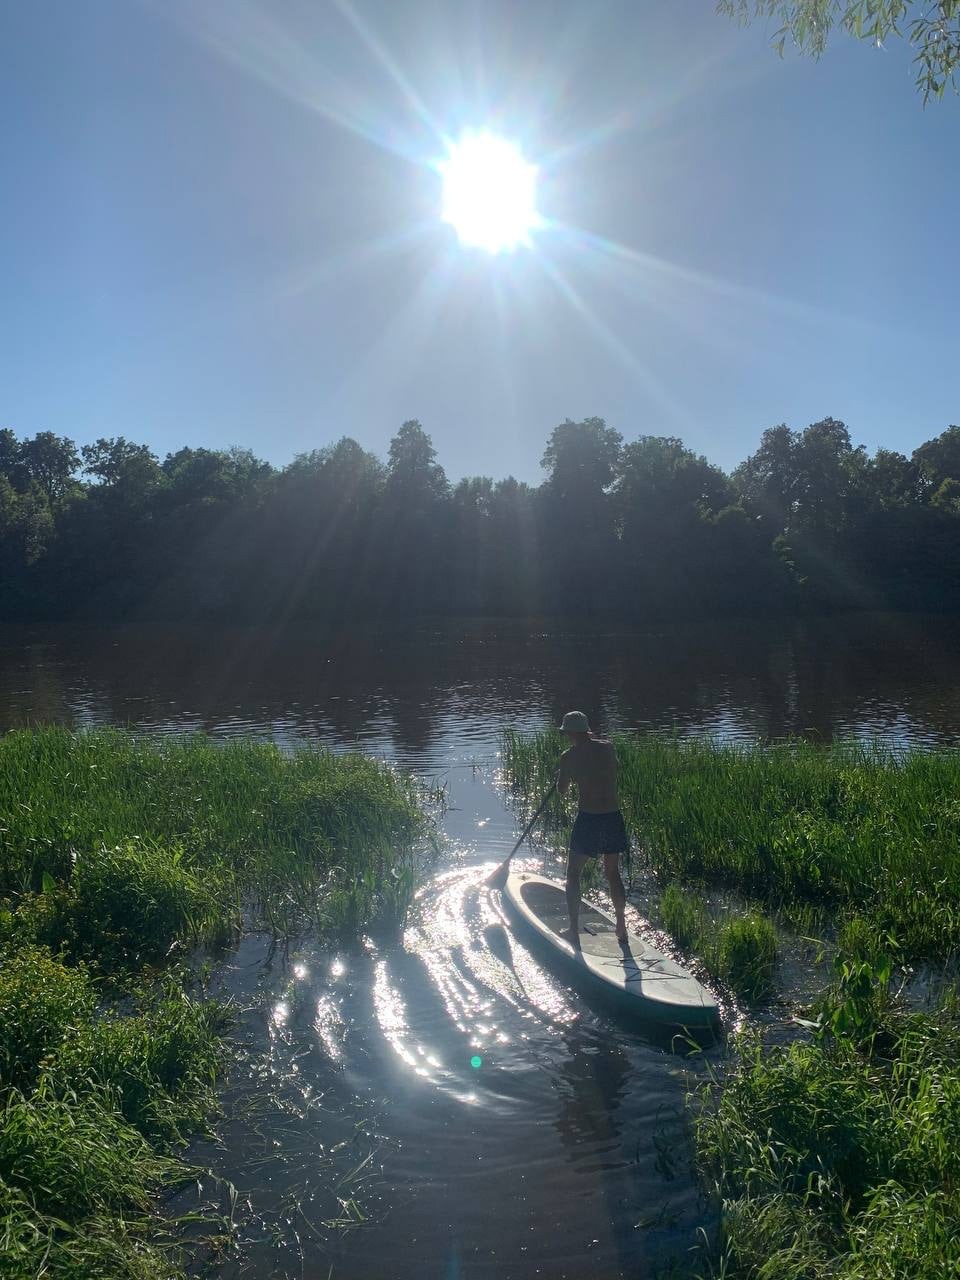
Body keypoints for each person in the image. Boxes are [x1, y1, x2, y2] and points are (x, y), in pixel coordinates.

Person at [556, 711, 629, 948]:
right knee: (612, 872)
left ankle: (573, 930)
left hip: (589, 818)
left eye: (566, 731)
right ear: (586, 729)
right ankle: (621, 925)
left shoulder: (569, 756)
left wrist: (563, 773)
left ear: (569, 732)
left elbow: (562, 790)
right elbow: (613, 767)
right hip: (612, 816)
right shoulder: (607, 748)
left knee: (573, 874)